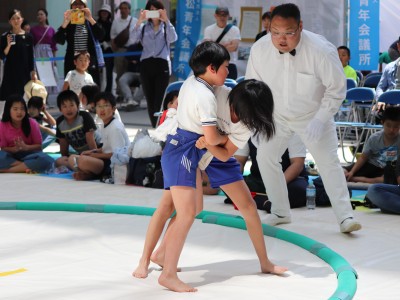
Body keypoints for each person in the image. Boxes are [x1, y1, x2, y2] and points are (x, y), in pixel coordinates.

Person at [133, 79, 287, 291]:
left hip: (214, 152)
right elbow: (194, 85)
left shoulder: (246, 125)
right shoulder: (217, 92)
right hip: (187, 146)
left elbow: (225, 154)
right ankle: (145, 259)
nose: (241, 118)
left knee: (249, 206)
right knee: (173, 207)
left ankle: (265, 262)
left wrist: (211, 144)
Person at [245, 3, 361, 233]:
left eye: (288, 33)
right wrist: (258, 118)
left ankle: (345, 216)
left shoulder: (321, 49)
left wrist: (321, 119)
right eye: (275, 33)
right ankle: (280, 211)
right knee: (266, 157)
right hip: (275, 114)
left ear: (300, 27)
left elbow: (336, 89)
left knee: (328, 162)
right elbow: (253, 86)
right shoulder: (260, 49)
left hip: (313, 115)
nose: (281, 39)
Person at [129, 0, 178, 127]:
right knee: (150, 100)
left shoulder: (166, 27)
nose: (154, 13)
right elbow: (133, 39)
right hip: (146, 64)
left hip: (162, 65)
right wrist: (140, 20)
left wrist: (166, 20)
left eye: (156, 9)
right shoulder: (144, 27)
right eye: (151, 10)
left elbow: (173, 38)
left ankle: (161, 127)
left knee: (160, 100)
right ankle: (155, 127)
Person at [232, 134, 308, 209]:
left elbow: (297, 164)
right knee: (229, 185)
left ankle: (252, 201)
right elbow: (239, 161)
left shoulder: (291, 129)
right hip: (258, 180)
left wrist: (276, 186)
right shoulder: (248, 130)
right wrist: (234, 180)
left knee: (298, 191)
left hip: (286, 181)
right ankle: (267, 203)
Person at [68, 92, 130, 181]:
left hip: (114, 164)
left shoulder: (115, 127)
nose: (102, 109)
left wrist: (94, 155)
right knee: (72, 159)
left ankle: (92, 174)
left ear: (113, 109)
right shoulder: (105, 124)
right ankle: (90, 174)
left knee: (82, 161)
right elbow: (107, 147)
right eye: (99, 106)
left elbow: (117, 155)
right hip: (105, 160)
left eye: (105, 106)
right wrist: (93, 151)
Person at [54, 0, 105, 87]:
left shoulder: (90, 22)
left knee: (91, 89)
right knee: (73, 89)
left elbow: (101, 35)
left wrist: (90, 18)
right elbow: (58, 40)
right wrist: (65, 22)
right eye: (75, 4)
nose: (77, 6)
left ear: (85, 6)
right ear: (71, 7)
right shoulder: (69, 24)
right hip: (73, 61)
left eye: (80, 4)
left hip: (88, 61)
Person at [343, 106, 400, 184]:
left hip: (389, 169)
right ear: (382, 123)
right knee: (343, 171)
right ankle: (353, 177)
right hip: (372, 165)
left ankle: (357, 179)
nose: (391, 130)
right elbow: (363, 157)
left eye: (396, 127)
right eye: (388, 125)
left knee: (388, 179)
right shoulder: (375, 138)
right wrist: (352, 172)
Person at [0, 94, 54, 173]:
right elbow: (3, 148)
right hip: (12, 157)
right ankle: (26, 166)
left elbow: (39, 147)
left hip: (30, 155)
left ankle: (8, 170)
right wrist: (14, 149)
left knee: (46, 159)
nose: (19, 112)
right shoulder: (2, 125)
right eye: (15, 109)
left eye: (22, 109)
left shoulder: (32, 123)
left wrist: (26, 147)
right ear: (8, 110)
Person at [55, 90, 101, 168]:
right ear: (60, 109)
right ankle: (81, 167)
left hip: (98, 150)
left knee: (79, 161)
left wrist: (95, 157)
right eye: (65, 106)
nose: (69, 109)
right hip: (82, 155)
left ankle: (85, 167)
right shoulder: (60, 122)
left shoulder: (84, 116)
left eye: (71, 105)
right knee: (59, 161)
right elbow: (63, 144)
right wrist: (65, 158)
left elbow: (91, 140)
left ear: (77, 105)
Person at [0, 9, 36, 100]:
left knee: (24, 97)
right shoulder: (5, 36)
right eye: (13, 19)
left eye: (18, 18)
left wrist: (33, 72)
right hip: (10, 72)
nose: (16, 21)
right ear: (9, 21)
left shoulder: (28, 36)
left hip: (24, 72)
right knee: (10, 98)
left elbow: (30, 56)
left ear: (22, 20)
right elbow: (2, 55)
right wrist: (8, 45)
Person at [203, 6, 241, 80]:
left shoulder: (234, 29)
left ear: (228, 16)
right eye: (219, 15)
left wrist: (215, 45)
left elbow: (234, 48)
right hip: (213, 64)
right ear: (215, 16)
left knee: (230, 88)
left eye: (224, 15)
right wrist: (226, 45)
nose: (222, 17)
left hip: (230, 64)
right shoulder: (208, 29)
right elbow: (209, 49)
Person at [110, 1, 136, 96]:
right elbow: (112, 36)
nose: (123, 10)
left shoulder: (134, 21)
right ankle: (121, 93)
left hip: (132, 50)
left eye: (125, 8)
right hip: (120, 50)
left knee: (131, 71)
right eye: (122, 8)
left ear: (129, 10)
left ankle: (131, 94)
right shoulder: (116, 22)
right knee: (120, 72)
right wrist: (115, 49)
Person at [30, 8, 59, 93]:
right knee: (38, 74)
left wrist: (54, 59)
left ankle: (47, 97)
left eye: (41, 14)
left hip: (48, 53)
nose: (39, 16)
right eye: (38, 15)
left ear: (46, 16)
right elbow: (31, 45)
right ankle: (39, 97)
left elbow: (54, 46)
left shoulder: (51, 29)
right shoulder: (33, 29)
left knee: (48, 75)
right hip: (37, 53)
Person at [375, 37, 400, 111]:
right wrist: (381, 99)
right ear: (398, 47)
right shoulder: (389, 67)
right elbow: (380, 87)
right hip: (390, 105)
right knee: (380, 109)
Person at [117, 43, 144, 111]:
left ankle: (136, 101)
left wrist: (136, 59)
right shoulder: (132, 47)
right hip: (131, 72)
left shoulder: (149, 48)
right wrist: (138, 59)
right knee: (122, 80)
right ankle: (129, 100)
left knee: (146, 82)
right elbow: (128, 56)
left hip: (143, 73)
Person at [97, 4, 113, 93]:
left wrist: (107, 43)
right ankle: (98, 91)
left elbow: (113, 37)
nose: (104, 13)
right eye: (103, 12)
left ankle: (108, 91)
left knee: (109, 72)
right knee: (97, 72)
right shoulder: (95, 24)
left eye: (106, 12)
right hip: (97, 50)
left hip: (109, 51)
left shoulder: (111, 24)